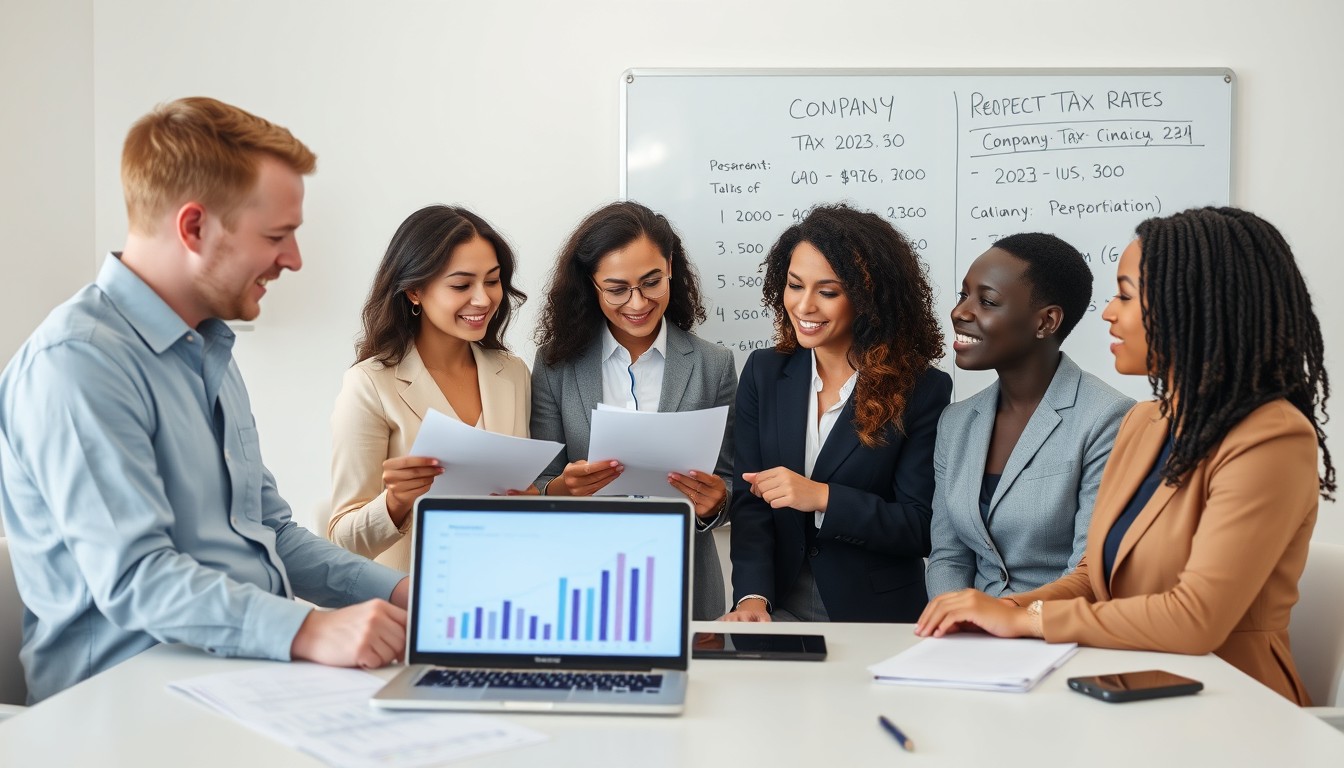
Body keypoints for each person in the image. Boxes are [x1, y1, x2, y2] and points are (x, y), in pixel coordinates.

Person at [0, 98, 410, 703]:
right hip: (124, 703)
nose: (293, 259)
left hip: (244, 677)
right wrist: (309, 629)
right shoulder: (77, 362)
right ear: (193, 227)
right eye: (277, 235)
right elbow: (137, 578)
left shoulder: (209, 350)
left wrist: (400, 592)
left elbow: (268, 531)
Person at [916, 207, 1334, 704]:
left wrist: (1026, 619)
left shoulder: (1272, 437)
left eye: (1126, 295)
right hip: (1127, 682)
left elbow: (1196, 618)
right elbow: (1094, 577)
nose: (1109, 312)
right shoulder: (1144, 422)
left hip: (1234, 703)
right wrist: (990, 613)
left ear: (1194, 306)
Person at [725, 204, 952, 623]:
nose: (804, 306)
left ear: (868, 300)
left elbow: (920, 526)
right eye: (795, 285)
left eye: (828, 292)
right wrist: (752, 597)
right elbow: (750, 501)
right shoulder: (764, 371)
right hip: (780, 604)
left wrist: (821, 497)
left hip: (875, 613)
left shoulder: (922, 389)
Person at [530, 201, 736, 620]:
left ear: (671, 268)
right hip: (581, 578)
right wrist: (560, 490)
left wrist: (716, 504)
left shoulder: (713, 363)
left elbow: (730, 479)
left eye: (651, 282)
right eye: (617, 288)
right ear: (591, 285)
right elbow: (540, 477)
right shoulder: (556, 364)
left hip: (686, 582)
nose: (638, 302)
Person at [925, 233, 1132, 598]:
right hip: (969, 639)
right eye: (963, 295)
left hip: (1059, 635)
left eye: (987, 301)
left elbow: (1088, 570)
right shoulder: (956, 423)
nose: (960, 312)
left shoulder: (1108, 418)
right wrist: (958, 629)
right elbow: (949, 558)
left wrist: (1001, 621)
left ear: (1045, 322)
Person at [328, 205, 530, 571]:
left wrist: (529, 500)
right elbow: (343, 540)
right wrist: (396, 501)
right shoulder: (370, 385)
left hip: (498, 584)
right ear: (415, 291)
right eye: (461, 285)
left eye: (492, 280)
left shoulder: (513, 373)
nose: (483, 299)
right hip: (410, 598)